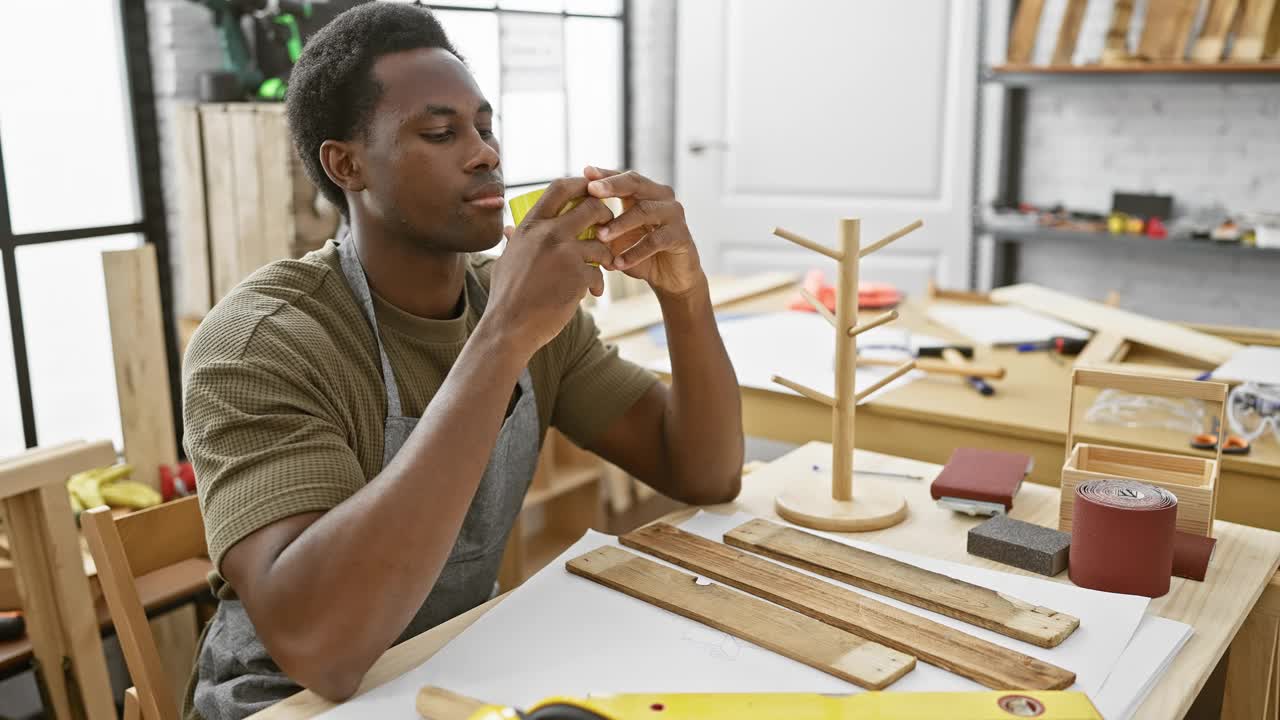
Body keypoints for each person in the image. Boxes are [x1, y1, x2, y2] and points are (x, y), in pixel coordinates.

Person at [180, 3, 743, 718]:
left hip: (449, 672)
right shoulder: (264, 342)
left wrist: (684, 294)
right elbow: (321, 647)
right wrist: (504, 337)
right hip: (288, 703)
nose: (485, 153)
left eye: (485, 127)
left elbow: (703, 470)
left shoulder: (518, 310)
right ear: (346, 163)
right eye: (442, 132)